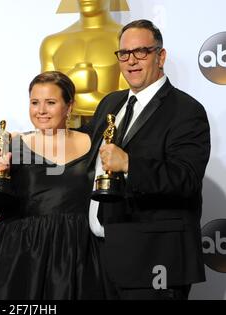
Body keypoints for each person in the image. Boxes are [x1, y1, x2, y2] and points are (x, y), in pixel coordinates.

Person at [86, 19, 211, 300]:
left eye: (141, 51)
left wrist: (129, 164)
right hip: (102, 256)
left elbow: (186, 179)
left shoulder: (186, 110)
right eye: (124, 54)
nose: (131, 61)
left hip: (155, 258)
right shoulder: (110, 103)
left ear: (160, 56)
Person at [0, 71, 103, 299]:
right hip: (21, 256)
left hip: (77, 256)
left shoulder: (95, 144)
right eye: (34, 102)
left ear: (69, 106)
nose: (40, 110)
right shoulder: (13, 145)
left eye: (50, 102)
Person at [40, 0, 128, 126]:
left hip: (110, 134)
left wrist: (87, 94)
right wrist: (72, 82)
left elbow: (130, 101)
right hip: (63, 137)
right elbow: (45, 101)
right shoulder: (52, 43)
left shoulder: (123, 39)